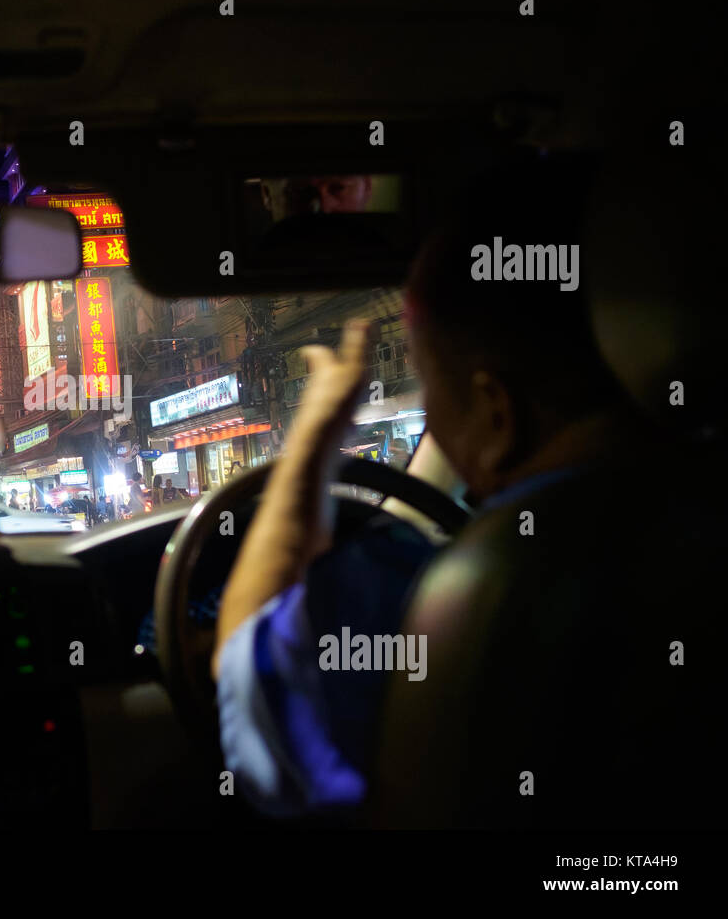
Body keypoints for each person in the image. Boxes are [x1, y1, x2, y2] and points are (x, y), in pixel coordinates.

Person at [214, 154, 708, 827]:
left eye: (427, 385)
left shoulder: (466, 591)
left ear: (497, 416)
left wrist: (313, 441)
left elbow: (248, 683)